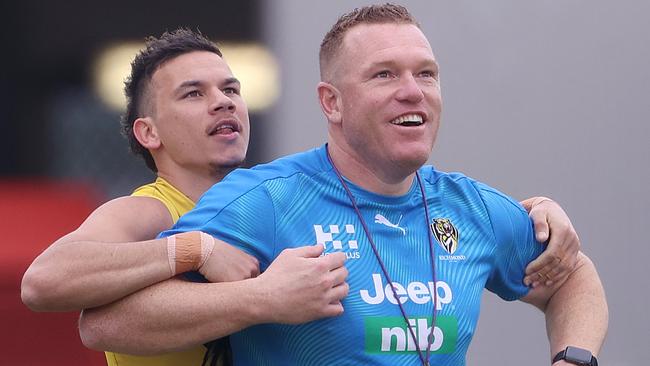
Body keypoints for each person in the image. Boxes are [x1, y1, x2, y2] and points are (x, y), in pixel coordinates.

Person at [76, 5, 607, 366]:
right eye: (384, 75)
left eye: (426, 74)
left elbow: (572, 278)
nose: (412, 92)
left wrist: (573, 359)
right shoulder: (265, 199)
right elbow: (108, 324)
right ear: (331, 102)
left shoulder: (469, 207)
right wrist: (259, 299)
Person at [21, 30, 350, 366]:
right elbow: (42, 281)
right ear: (149, 132)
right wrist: (193, 249)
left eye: (231, 89)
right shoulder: (150, 210)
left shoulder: (275, 205)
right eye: (193, 93)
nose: (224, 101)